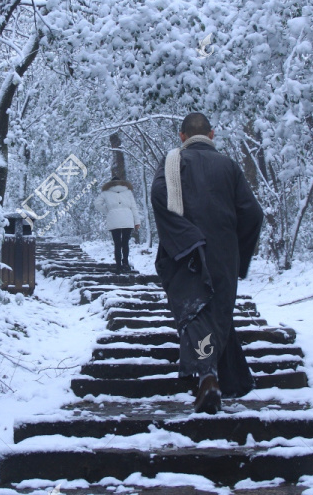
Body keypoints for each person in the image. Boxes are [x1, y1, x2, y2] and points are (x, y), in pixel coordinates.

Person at [150, 113, 263, 414]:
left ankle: (208, 376)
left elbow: (159, 195)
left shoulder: (173, 162)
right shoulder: (229, 166)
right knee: (217, 312)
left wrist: (184, 236)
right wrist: (238, 252)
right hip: (224, 252)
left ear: (182, 136)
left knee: (195, 311)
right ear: (212, 135)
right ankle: (227, 377)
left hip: (187, 250)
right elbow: (253, 213)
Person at [94, 177, 141, 273]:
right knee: (125, 243)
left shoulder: (106, 192)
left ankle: (118, 266)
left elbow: (97, 204)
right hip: (127, 219)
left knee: (117, 244)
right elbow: (134, 207)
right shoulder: (128, 192)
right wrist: (137, 222)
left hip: (113, 219)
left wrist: (108, 210)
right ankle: (126, 263)